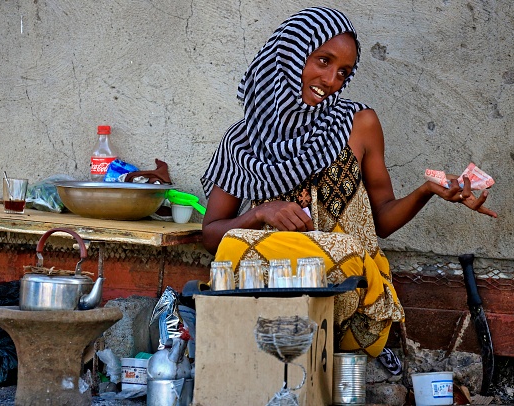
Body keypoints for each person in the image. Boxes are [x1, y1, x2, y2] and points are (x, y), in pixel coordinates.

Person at [200, 7, 496, 358]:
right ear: (290, 54)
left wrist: (425, 191)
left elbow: (382, 221)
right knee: (237, 252)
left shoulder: (359, 123)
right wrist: (262, 212)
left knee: (348, 255)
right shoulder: (243, 141)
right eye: (323, 61)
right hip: (276, 293)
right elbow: (212, 237)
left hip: (354, 296)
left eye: (343, 72)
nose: (331, 80)